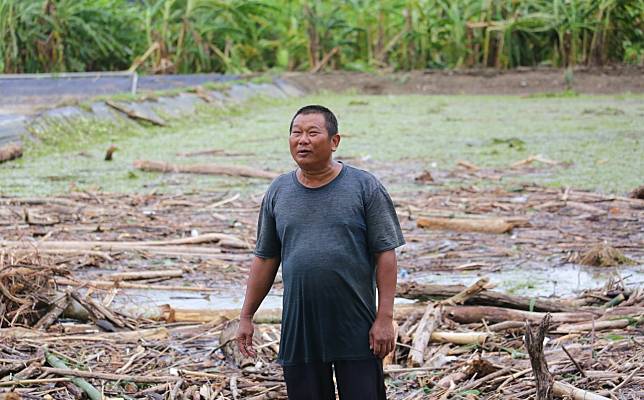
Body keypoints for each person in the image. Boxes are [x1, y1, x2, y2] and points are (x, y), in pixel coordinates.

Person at [236, 105, 405, 399]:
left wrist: (385, 318)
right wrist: (246, 315)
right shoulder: (279, 191)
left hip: (355, 325)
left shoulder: (364, 187)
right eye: (296, 133)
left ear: (334, 141)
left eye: (312, 133)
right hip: (300, 327)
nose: (303, 140)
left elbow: (385, 255)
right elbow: (265, 258)